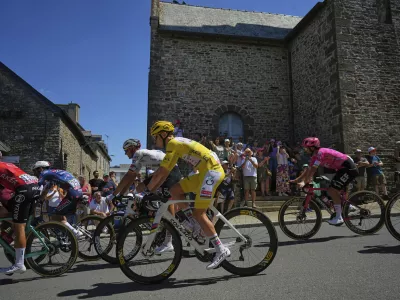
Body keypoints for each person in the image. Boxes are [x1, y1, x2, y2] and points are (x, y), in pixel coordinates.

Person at [145, 120, 229, 269]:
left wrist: (149, 190)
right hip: (204, 173)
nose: (154, 140)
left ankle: (220, 249)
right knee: (174, 190)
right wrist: (152, 189)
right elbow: (164, 173)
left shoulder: (173, 144)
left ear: (164, 135)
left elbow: (162, 172)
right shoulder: (175, 144)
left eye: (155, 136)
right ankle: (193, 225)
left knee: (199, 213)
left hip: (212, 172)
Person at [106, 138, 183, 250]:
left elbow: (129, 176)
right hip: (160, 172)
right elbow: (131, 178)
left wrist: (114, 194)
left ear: (131, 148)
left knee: (166, 202)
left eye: (126, 150)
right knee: (140, 188)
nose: (125, 153)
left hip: (171, 172)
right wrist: (122, 194)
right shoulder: (141, 157)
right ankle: (157, 220)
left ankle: (169, 240)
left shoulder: (138, 153)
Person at [290, 137, 358, 225]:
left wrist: (306, 182)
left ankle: (339, 217)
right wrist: (297, 180)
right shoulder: (314, 156)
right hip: (342, 169)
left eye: (306, 147)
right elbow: (308, 170)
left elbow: (314, 169)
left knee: (332, 190)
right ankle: (347, 206)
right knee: (333, 189)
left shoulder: (320, 152)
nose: (305, 149)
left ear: (312, 147)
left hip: (348, 168)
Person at [0, 156, 40, 275]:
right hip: (32, 188)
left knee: (19, 226)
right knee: (10, 216)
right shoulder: (6, 164)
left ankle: (19, 264)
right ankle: (11, 233)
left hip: (24, 191)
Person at [32, 161, 83, 235]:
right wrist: (40, 200)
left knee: (55, 215)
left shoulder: (44, 173)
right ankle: (69, 234)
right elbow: (45, 190)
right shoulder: (53, 174)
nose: (34, 173)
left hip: (72, 194)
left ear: (40, 169)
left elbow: (37, 186)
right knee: (60, 216)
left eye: (35, 171)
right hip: (76, 192)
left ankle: (75, 233)